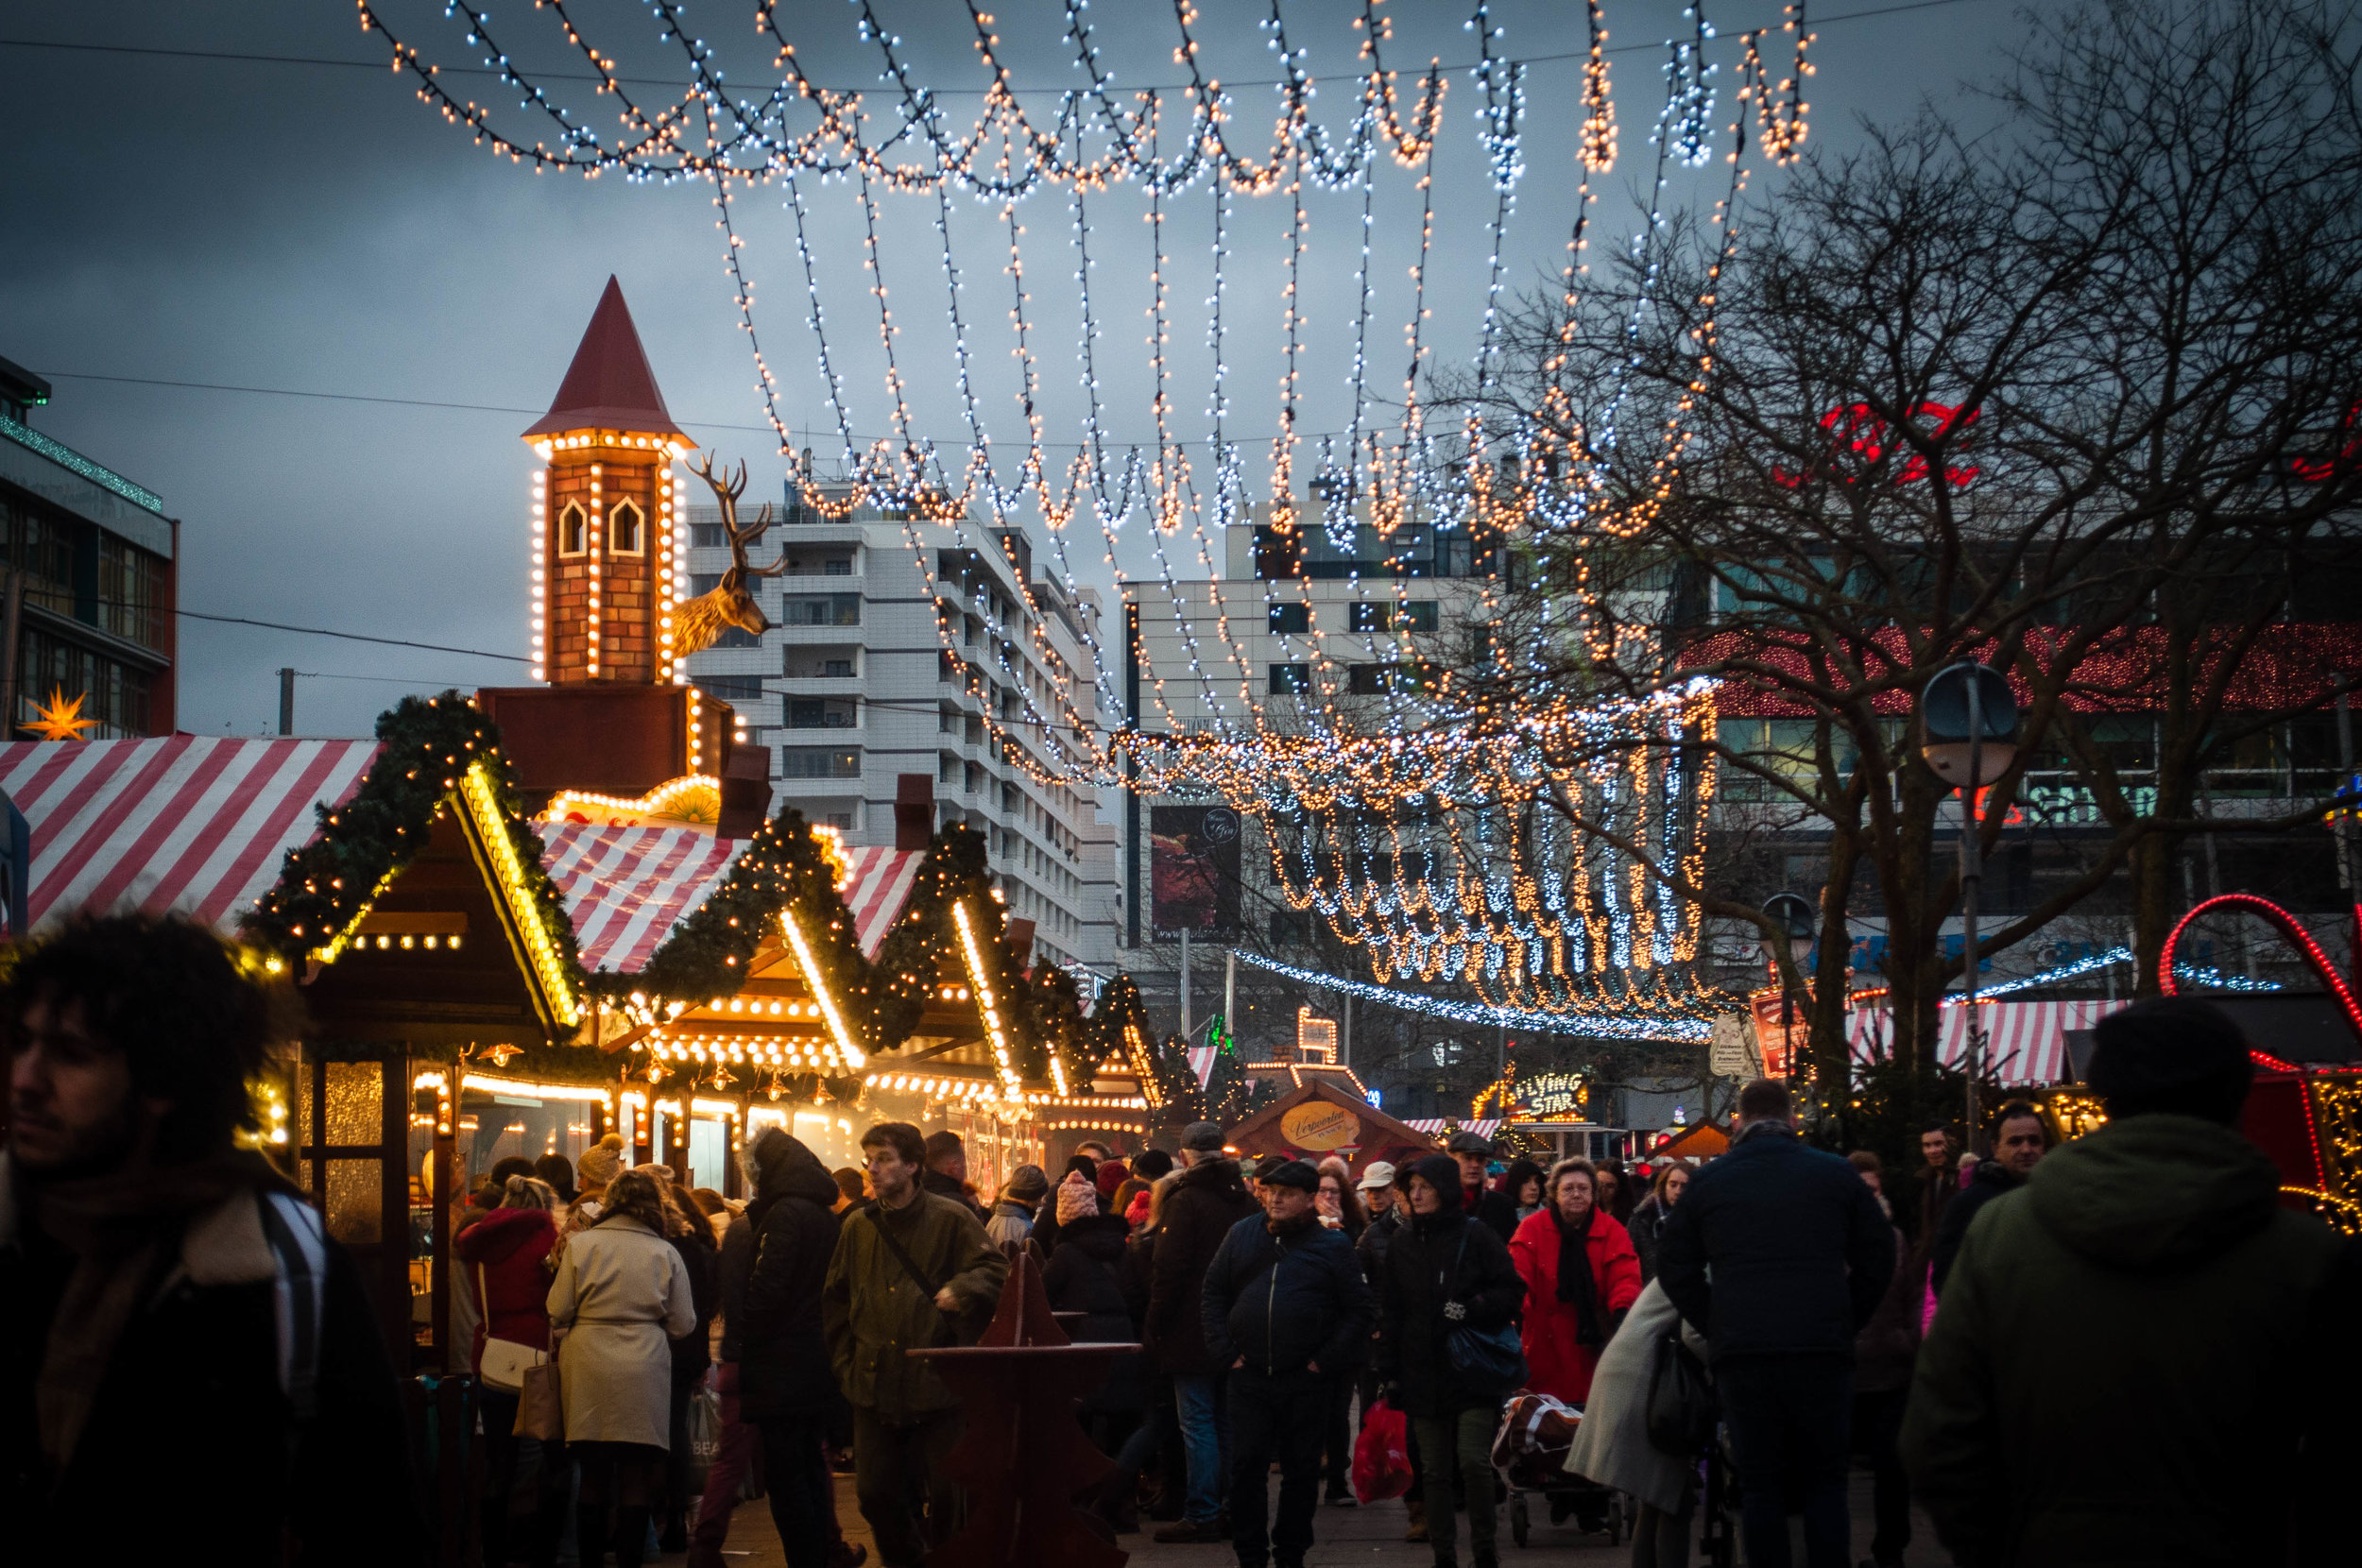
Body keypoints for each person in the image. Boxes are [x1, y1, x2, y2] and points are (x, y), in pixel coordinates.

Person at [0, 914, 419, 1565]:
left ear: (164, 1081)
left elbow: (367, 1522)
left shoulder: (281, 1268)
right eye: (21, 1043)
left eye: (71, 1054)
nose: (26, 1079)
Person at [1904, 997, 2358, 1564]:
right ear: (2239, 1097)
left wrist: (2003, 1544)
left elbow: (1941, 1431)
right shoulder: (2306, 1257)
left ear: (2103, 1099)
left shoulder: (2003, 1234)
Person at [1656, 1079, 1893, 1568]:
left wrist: (1716, 1318)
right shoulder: (1834, 1175)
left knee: (1760, 1483)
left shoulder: (1710, 1182)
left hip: (1745, 1351)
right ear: (1793, 1120)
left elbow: (1674, 1265)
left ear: (1737, 1123)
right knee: (1825, 1482)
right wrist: (1845, 1316)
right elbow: (1879, 1254)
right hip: (1820, 1348)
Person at [823, 1121, 1008, 1568]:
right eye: (869, 1159)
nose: (873, 1169)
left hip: (938, 1385)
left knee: (949, 1497)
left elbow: (998, 1271)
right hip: (873, 1384)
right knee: (875, 1495)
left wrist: (964, 1288)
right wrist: (847, 1367)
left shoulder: (951, 1218)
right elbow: (835, 1300)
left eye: (884, 1159)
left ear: (912, 1164)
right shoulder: (858, 1228)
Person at [1203, 1158, 1375, 1568]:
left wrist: (1324, 1361)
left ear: (1308, 1200)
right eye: (1270, 1191)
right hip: (1248, 1375)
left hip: (1305, 1377)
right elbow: (1213, 1293)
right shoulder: (1241, 1235)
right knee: (1247, 1468)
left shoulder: (1332, 1245)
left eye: (1286, 1194)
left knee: (1300, 1471)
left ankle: (1291, 1552)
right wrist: (1227, 1352)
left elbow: (1358, 1309)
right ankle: (1250, 1554)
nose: (1275, 1199)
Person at [1375, 1154, 1522, 1568]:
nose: (1416, 1195)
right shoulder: (1402, 1243)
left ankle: (1485, 1549)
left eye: (1424, 1187)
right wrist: (1389, 1371)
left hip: (1472, 1370)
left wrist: (1470, 1307)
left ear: (1445, 1189)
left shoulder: (1475, 1236)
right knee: (1434, 1471)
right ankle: (1444, 1554)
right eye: (1411, 1188)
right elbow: (1393, 1311)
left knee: (1473, 1462)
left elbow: (1511, 1290)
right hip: (1422, 1370)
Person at [548, 1167, 698, 1568]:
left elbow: (556, 1308)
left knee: (593, 1473)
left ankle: (591, 1561)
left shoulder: (583, 1246)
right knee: (636, 1474)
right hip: (644, 1365)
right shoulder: (665, 1252)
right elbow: (684, 1323)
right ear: (654, 1204)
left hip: (587, 1363)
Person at [728, 1127, 863, 1568]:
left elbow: (769, 1288)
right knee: (809, 1468)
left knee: (789, 1478)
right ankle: (821, 1555)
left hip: (782, 1365)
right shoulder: (823, 1214)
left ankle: (806, 1560)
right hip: (814, 1359)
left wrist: (746, 1331)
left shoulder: (784, 1215)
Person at [1147, 1120, 1260, 1545]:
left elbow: (1169, 1271)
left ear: (1185, 1156)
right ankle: (1231, 1506)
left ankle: (1202, 1511)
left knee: (1197, 1423)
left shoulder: (1185, 1201)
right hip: (1236, 1327)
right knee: (1226, 1422)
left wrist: (1155, 1324)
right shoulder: (1245, 1201)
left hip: (1190, 1328)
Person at [459, 1173, 568, 1568]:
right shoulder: (546, 1240)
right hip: (541, 1358)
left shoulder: (480, 1241)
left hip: (493, 1356)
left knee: (498, 1464)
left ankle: (494, 1556)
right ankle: (545, 1554)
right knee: (555, 1459)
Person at [1563, 1278, 1704, 1568]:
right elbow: (1696, 1336)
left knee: (1655, 1500)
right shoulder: (1705, 1266)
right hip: (1649, 1385)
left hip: (1634, 1375)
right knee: (1673, 1500)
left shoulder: (1682, 1260)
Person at [633, 1164, 721, 1552]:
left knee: (650, 1436)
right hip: (687, 1352)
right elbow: (703, 1308)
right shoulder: (699, 1247)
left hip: (655, 1349)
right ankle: (676, 1518)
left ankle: (652, 1522)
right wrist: (701, 1358)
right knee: (676, 1434)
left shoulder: (658, 1246)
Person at [1510, 1158, 1641, 1407]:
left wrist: (1623, 1309)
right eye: (1568, 1189)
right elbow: (1518, 1275)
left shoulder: (1612, 1231)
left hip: (1593, 1345)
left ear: (1594, 1194)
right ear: (1555, 1194)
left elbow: (1624, 1275)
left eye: (1583, 1188)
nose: (1576, 1194)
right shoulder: (1532, 1229)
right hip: (1542, 1346)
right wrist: (1515, 1306)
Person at [1850, 1152, 1917, 1568]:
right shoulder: (1831, 1240)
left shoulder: (1895, 1240)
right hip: (1846, 1372)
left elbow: (1912, 1296)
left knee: (1892, 1470)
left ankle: (1890, 1552)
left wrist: (1910, 1340)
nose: (1868, 1198)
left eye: (1873, 1190)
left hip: (1892, 1370)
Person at [1927, 1101, 2047, 1297]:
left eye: (2034, 1141)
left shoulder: (2056, 1199)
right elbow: (1946, 1278)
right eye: (2015, 1142)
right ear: (1996, 1147)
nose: (2026, 1149)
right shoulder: (1968, 1205)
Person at [1446, 1131, 1520, 1243]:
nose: (1475, 1165)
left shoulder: (1502, 1205)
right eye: (1468, 1158)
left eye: (1480, 1160)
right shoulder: (1438, 1202)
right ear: (1451, 1161)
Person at [1626, 1158, 1690, 1285]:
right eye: (1673, 1185)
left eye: (1684, 1186)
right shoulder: (1642, 1218)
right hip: (1650, 1291)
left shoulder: (1701, 1219)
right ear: (1664, 1185)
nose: (1678, 1191)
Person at [1907, 1122, 1958, 1250]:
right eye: (1927, 1145)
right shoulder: (1921, 1181)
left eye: (1938, 1144)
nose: (1932, 1151)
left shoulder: (1962, 1177)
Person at [920, 1129, 987, 1220]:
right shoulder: (959, 1207)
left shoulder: (915, 1200)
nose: (965, 1168)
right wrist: (977, 1209)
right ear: (954, 1165)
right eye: (963, 1162)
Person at [984, 1162, 1049, 1251]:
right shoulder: (1027, 1229)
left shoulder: (993, 1221)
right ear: (1034, 1196)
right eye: (1040, 1197)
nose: (1040, 1203)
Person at [1500, 1158, 1546, 1224]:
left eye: (1537, 1181)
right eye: (1526, 1181)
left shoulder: (1547, 1218)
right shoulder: (1500, 1218)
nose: (1534, 1187)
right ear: (1514, 1184)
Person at [1593, 1157, 1635, 1225]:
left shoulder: (1631, 1217)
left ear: (1620, 1188)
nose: (1603, 1190)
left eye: (1610, 1186)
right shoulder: (1587, 1211)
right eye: (1599, 1184)